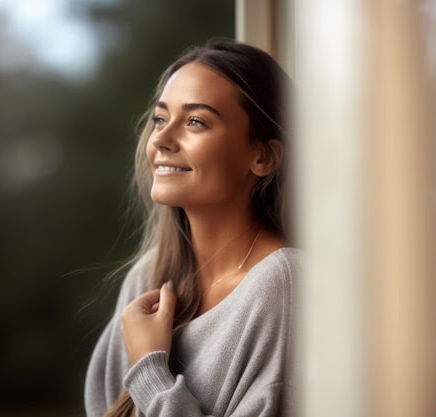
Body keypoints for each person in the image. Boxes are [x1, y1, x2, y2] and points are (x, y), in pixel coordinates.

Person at [84, 40, 299, 417]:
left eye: (196, 121)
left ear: (263, 156)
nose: (162, 141)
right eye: (160, 119)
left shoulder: (283, 285)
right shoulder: (148, 278)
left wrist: (149, 370)